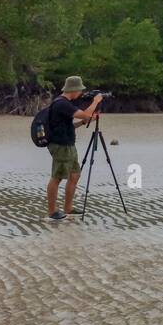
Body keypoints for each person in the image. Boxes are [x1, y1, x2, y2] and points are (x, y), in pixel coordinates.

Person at [45, 76, 103, 221]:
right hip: (60, 146)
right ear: (74, 89)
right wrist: (95, 102)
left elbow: (70, 124)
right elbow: (85, 113)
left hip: (69, 144)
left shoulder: (66, 104)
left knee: (75, 175)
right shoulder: (61, 104)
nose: (80, 93)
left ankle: (68, 208)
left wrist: (84, 122)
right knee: (57, 177)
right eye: (80, 90)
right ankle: (52, 212)